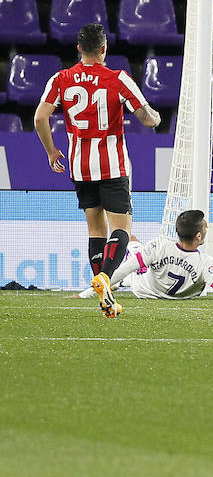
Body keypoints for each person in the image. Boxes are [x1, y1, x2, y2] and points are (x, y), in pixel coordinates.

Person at [34, 23, 161, 318]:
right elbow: (147, 119)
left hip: (80, 167)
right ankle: (105, 277)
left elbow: (40, 117)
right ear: (104, 49)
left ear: (79, 48)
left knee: (95, 229)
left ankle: (105, 295)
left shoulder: (61, 79)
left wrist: (52, 151)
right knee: (121, 230)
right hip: (112, 165)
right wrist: (155, 116)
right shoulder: (118, 79)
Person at [72, 210, 213, 306]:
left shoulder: (159, 246)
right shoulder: (205, 263)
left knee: (129, 246)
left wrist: (87, 293)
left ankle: (108, 287)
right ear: (199, 236)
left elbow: (122, 269)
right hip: (162, 291)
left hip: (142, 289)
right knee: (130, 258)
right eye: (206, 226)